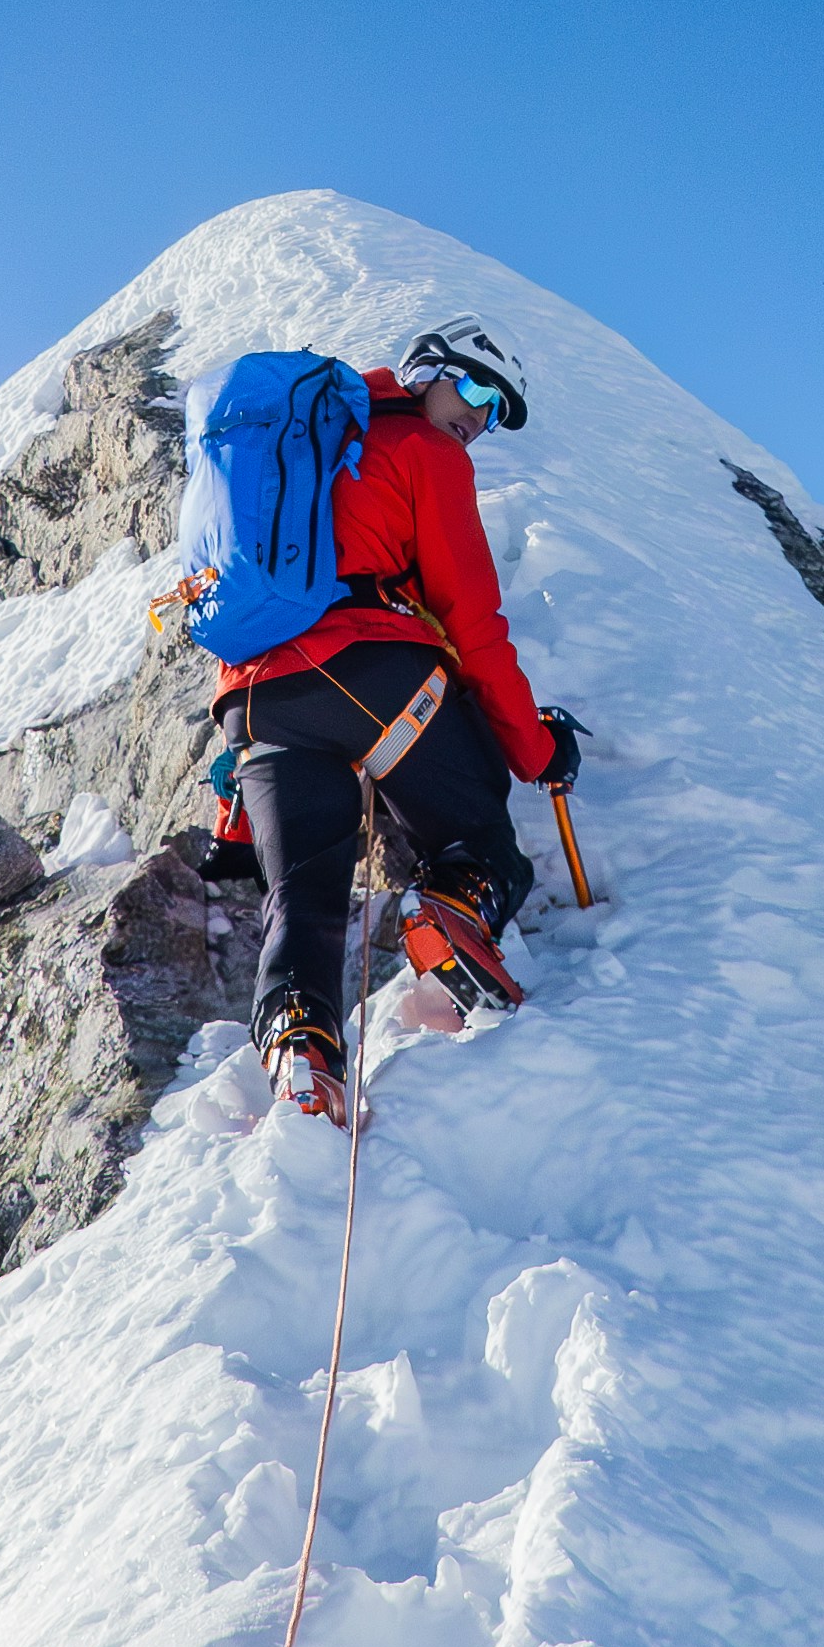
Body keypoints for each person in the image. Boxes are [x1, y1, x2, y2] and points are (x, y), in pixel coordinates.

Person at [212, 324, 583, 1114]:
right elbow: (473, 620)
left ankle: (301, 1056)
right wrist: (535, 748)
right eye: (476, 390)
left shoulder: (301, 449)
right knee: (479, 844)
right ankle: (451, 910)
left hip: (254, 700)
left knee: (303, 898)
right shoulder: (422, 449)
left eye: (498, 409)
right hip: (367, 669)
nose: (481, 416)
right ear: (425, 375)